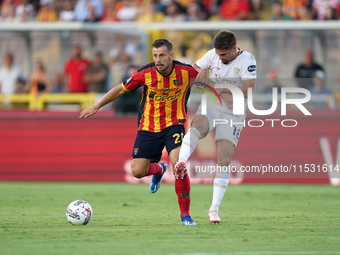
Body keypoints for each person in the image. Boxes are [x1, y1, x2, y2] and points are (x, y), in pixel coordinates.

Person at [79, 39, 198, 225]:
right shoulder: (145, 73)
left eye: (162, 55)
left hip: (174, 124)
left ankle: (185, 215)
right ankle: (159, 170)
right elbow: (120, 89)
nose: (158, 60)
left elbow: (209, 78)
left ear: (171, 56)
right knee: (137, 171)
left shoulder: (186, 72)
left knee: (179, 166)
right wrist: (98, 106)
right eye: (156, 55)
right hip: (148, 127)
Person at [175, 30, 256, 224]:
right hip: (212, 105)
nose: (219, 58)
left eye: (223, 54)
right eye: (217, 54)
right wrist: (200, 72)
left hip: (233, 112)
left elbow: (248, 89)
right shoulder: (212, 54)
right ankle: (181, 163)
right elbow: (194, 71)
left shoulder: (248, 60)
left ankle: (213, 209)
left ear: (234, 49)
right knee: (196, 126)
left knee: (224, 158)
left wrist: (215, 84)